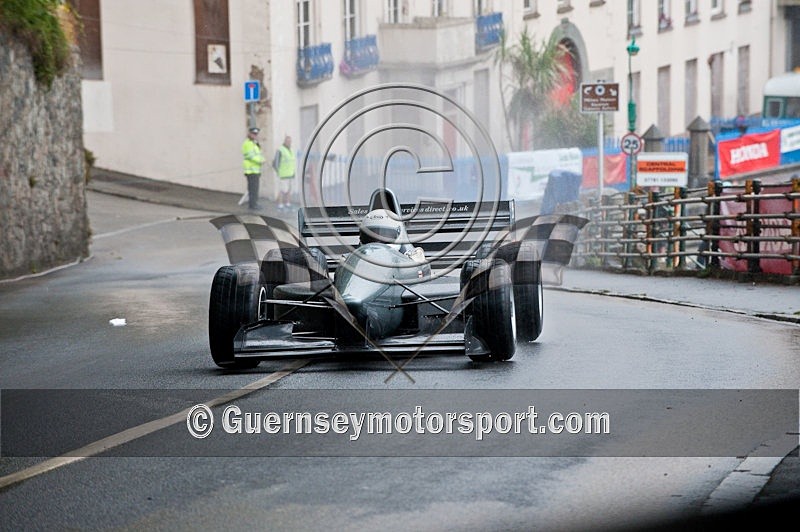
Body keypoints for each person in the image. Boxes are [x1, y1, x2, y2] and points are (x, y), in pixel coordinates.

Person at [241, 127, 265, 210]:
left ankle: (254, 203)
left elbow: (259, 154)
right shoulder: (247, 143)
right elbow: (250, 156)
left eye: (256, 134)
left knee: (255, 189)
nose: (255, 136)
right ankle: (252, 205)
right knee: (252, 189)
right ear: (249, 134)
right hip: (250, 170)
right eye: (253, 134)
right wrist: (260, 161)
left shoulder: (254, 143)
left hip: (256, 170)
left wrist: (262, 159)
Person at [272, 135, 296, 209]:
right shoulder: (280, 150)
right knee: (282, 190)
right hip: (283, 175)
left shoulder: (291, 150)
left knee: (289, 190)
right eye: (288, 141)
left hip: (291, 174)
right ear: (284, 141)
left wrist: (293, 172)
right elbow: (275, 163)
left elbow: (292, 162)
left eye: (290, 141)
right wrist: (278, 172)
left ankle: (288, 203)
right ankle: (280, 203)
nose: (289, 142)